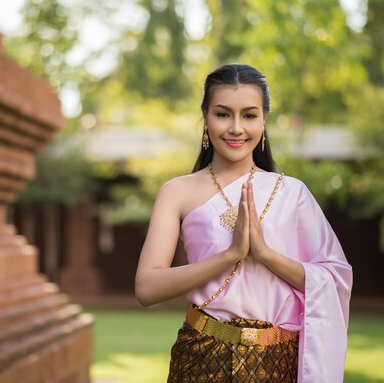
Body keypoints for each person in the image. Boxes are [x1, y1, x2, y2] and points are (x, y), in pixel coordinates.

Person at [135, 63, 352, 382]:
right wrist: (230, 255)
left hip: (278, 362)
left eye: (249, 115)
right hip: (201, 357)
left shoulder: (292, 193)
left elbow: (334, 279)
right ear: (205, 118)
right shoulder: (177, 192)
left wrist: (264, 254)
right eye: (223, 114)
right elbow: (146, 287)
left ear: (264, 120)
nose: (236, 128)